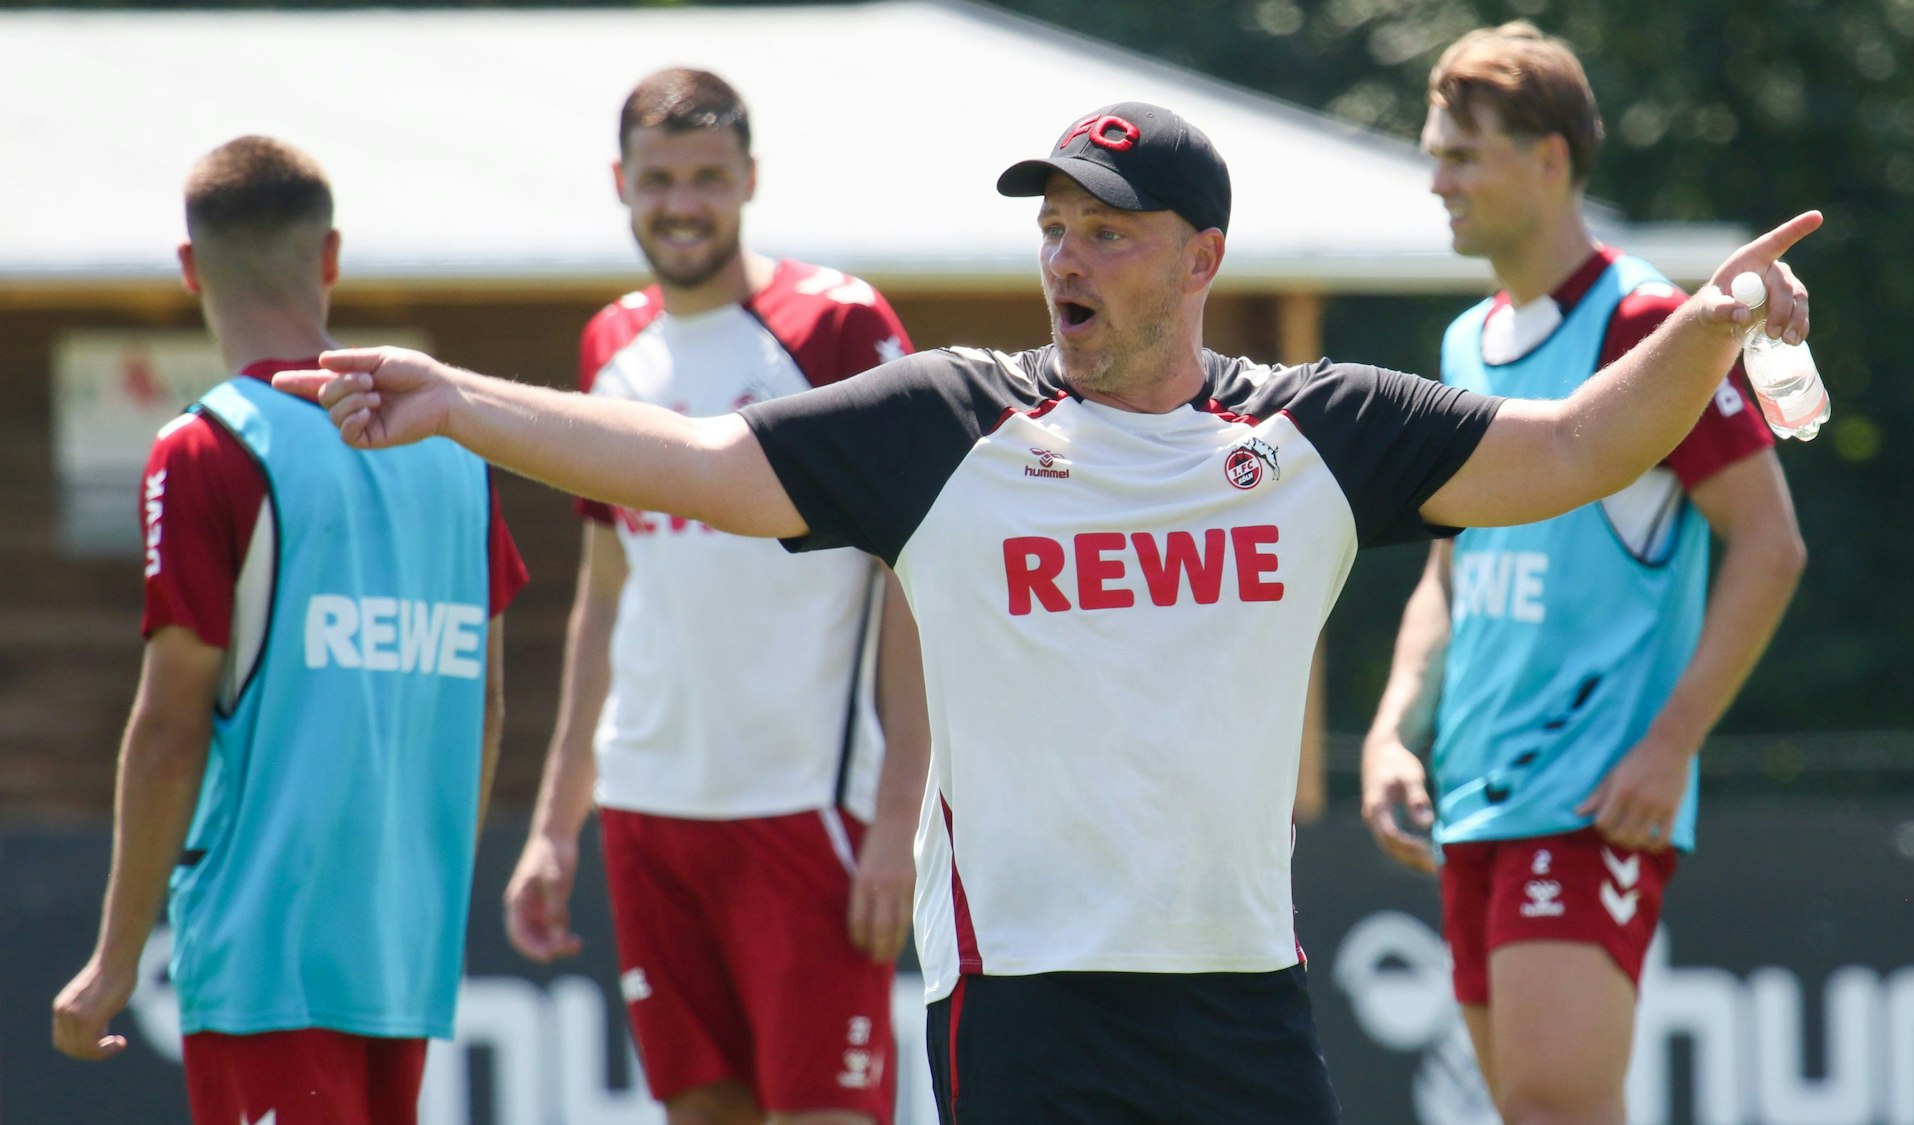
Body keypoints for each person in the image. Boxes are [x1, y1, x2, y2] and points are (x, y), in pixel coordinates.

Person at [278, 101, 1817, 1124]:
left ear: (1201, 258)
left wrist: (1713, 321)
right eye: (1053, 227)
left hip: (1240, 994)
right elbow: (691, 457)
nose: (1064, 257)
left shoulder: (1321, 433)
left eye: (1109, 229)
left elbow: (1574, 449)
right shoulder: (950, 425)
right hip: (1024, 1004)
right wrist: (459, 400)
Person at [1357, 23, 1809, 1125]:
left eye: (1461, 155)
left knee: (1558, 1105)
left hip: (1590, 799)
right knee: (1525, 1111)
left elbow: (1767, 545)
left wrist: (1667, 749)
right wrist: (1388, 731)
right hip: (1474, 800)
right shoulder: (1468, 342)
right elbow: (1450, 570)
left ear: (1547, 158)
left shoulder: (1646, 322)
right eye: (1434, 153)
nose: (1436, 179)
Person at [49, 136, 528, 1125]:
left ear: (189, 268)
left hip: (267, 952)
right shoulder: (451, 448)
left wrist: (113, 958)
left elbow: (172, 727)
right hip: (404, 947)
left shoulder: (207, 445)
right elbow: (483, 698)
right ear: (332, 256)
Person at [497, 68, 927, 1125]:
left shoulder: (836, 327)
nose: (680, 204)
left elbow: (919, 571)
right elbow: (605, 595)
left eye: (705, 178)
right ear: (620, 182)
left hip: (807, 809)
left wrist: (902, 814)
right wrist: (558, 822)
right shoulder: (611, 346)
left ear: (748, 180)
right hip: (647, 810)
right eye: (657, 180)